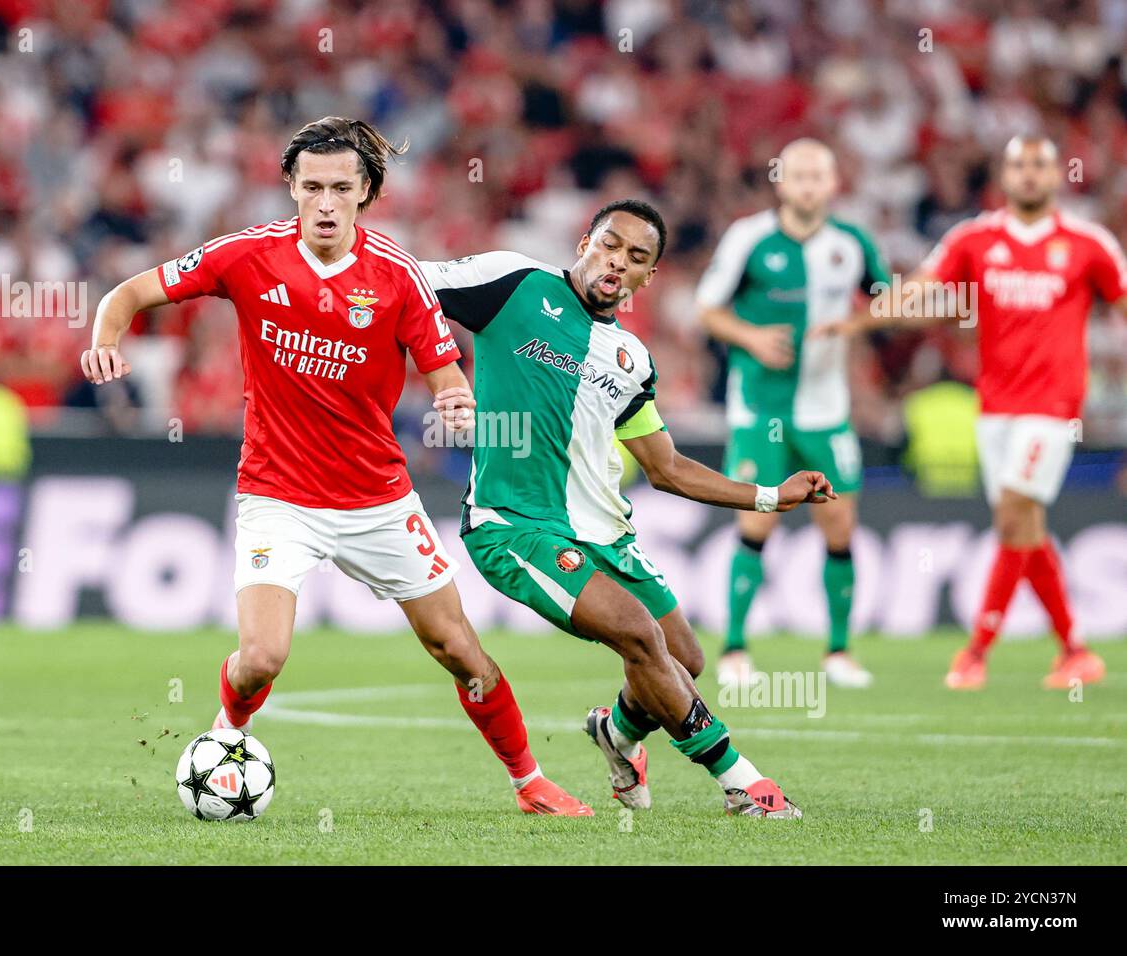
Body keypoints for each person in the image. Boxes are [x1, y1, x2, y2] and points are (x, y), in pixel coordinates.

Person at [81, 116, 591, 815]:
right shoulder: (247, 255)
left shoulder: (398, 276)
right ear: (291, 186)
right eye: (312, 186)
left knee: (460, 651)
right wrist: (106, 339)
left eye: (340, 188)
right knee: (261, 657)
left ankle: (529, 781)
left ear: (366, 192)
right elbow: (128, 293)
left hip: (378, 499)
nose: (325, 202)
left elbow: (445, 373)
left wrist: (455, 404)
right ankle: (227, 732)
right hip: (277, 494)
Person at [419, 199, 836, 817]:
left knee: (685, 660)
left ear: (649, 278)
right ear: (585, 240)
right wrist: (445, 375)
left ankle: (616, 734)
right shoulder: (513, 283)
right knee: (642, 638)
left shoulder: (631, 360)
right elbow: (401, 281)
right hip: (515, 526)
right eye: (610, 245)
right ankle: (742, 784)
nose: (618, 262)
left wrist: (771, 496)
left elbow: (666, 469)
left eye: (637, 257)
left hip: (606, 536)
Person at [824, 135, 1123, 690]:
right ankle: (1075, 652)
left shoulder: (1087, 243)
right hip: (995, 408)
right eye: (1018, 166)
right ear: (1004, 177)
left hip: (1055, 407)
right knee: (1023, 525)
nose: (1029, 175)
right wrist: (865, 317)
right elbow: (924, 292)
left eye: (1039, 165)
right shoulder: (975, 239)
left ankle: (976, 652)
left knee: (1014, 513)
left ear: (1057, 175)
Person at [696, 139, 889, 690]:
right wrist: (751, 337)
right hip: (760, 410)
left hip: (827, 411)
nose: (808, 184)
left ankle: (838, 652)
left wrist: (856, 326)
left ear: (833, 183)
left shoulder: (851, 244)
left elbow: (891, 301)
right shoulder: (748, 237)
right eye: (798, 174)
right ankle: (734, 649)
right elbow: (707, 309)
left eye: (818, 175)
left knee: (839, 525)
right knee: (757, 520)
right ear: (781, 181)